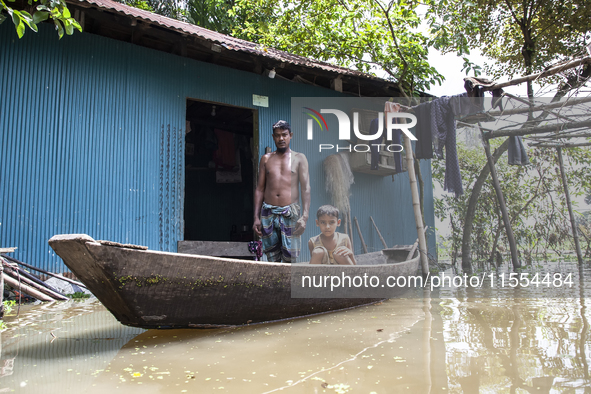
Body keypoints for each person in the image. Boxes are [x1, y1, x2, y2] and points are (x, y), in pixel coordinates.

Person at [253, 120, 311, 263]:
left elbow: (306, 188)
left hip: (290, 212)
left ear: (290, 135)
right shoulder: (266, 159)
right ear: (273, 137)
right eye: (277, 135)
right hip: (268, 212)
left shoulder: (299, 158)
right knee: (271, 256)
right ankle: (275, 285)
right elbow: (260, 189)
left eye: (284, 135)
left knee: (290, 257)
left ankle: (287, 285)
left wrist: (304, 217)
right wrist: (256, 217)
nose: (281, 139)